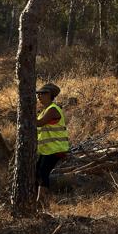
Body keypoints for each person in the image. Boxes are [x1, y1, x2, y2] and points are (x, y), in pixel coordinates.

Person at [36, 82, 70, 211]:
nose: (39, 96)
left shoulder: (53, 109)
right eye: (38, 93)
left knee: (43, 173)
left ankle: (43, 204)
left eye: (43, 93)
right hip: (47, 149)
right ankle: (40, 201)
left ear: (50, 95)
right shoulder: (45, 110)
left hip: (55, 148)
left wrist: (23, 115)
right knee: (38, 173)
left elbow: (39, 123)